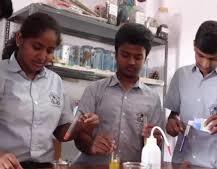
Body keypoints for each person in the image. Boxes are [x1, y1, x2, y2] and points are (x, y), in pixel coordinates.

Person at [0, 13, 99, 169]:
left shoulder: (55, 82)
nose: (43, 56)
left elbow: (61, 133)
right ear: (20, 39)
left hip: (45, 165)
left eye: (50, 50)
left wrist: (80, 125)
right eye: (37, 47)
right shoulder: (2, 74)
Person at [73, 23, 164, 165]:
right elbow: (78, 136)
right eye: (125, 55)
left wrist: (155, 139)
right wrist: (91, 145)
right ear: (115, 54)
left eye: (138, 57)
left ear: (145, 59)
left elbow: (156, 143)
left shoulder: (153, 99)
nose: (131, 62)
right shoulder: (94, 90)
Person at [165, 20, 217, 168]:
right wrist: (171, 123)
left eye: (213, 58)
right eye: (200, 55)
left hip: (214, 163)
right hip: (182, 161)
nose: (205, 64)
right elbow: (173, 115)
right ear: (194, 45)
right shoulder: (181, 76)